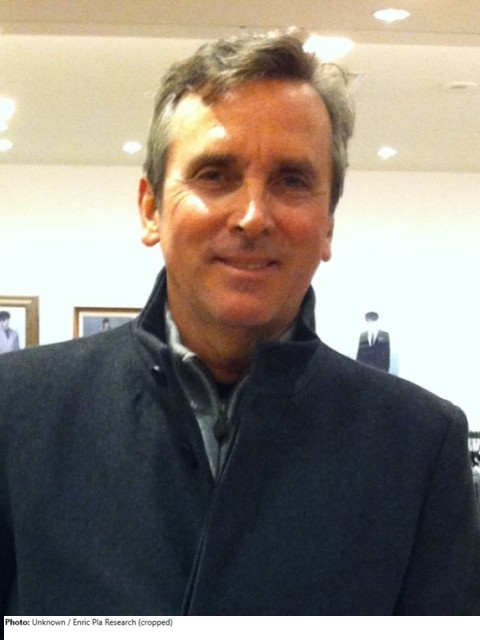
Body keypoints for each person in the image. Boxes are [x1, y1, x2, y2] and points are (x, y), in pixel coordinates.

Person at [0, 30, 479, 616]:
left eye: (292, 181)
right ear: (151, 208)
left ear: (328, 226)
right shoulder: (16, 411)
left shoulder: (418, 446)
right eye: (214, 175)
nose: (253, 216)